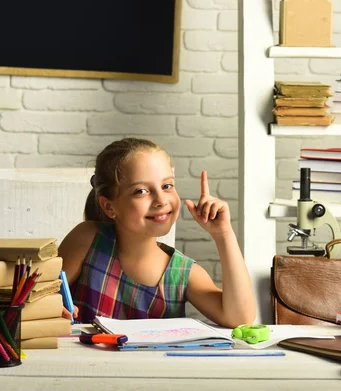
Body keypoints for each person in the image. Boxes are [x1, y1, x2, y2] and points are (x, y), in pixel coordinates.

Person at [59, 137, 256, 328]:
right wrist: (50, 307)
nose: (161, 200)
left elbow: (240, 318)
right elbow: (38, 298)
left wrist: (223, 234)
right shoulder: (87, 240)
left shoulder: (183, 273)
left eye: (167, 186)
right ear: (109, 206)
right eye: (141, 191)